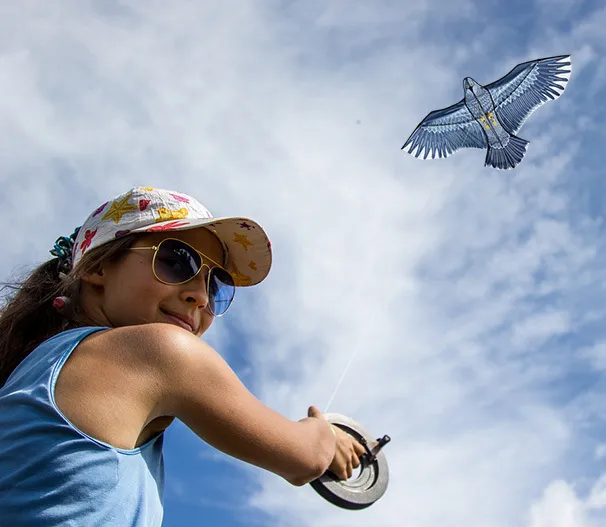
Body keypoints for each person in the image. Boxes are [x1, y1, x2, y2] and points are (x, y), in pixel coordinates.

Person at [0, 186, 366, 526]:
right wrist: (325, 433)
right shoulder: (159, 351)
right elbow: (306, 458)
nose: (201, 297)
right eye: (177, 260)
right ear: (97, 267)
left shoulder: (35, 369)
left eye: (215, 284)